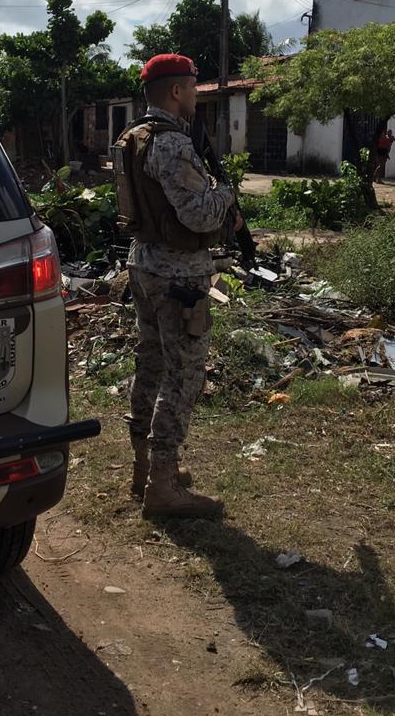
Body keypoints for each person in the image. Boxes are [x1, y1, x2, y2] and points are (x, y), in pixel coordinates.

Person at [113, 54, 243, 519]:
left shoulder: (130, 139)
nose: (195, 94)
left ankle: (144, 466)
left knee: (149, 364)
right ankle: (163, 484)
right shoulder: (172, 144)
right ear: (174, 92)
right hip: (178, 274)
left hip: (143, 265)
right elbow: (199, 214)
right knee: (183, 375)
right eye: (191, 86)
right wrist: (228, 193)